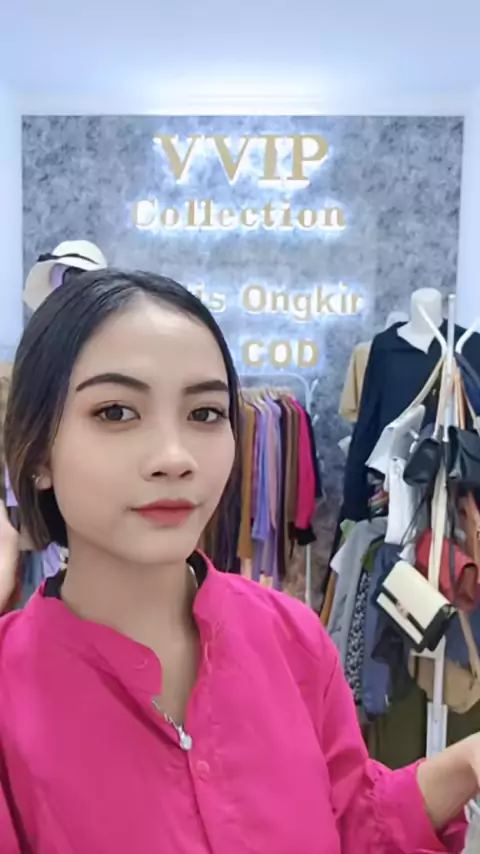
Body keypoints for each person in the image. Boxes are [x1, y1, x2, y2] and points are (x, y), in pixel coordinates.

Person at [0, 269, 476, 854]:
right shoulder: (10, 693)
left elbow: (349, 818)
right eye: (116, 412)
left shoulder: (290, 636)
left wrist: (466, 764)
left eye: (204, 413)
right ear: (36, 451)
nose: (175, 457)